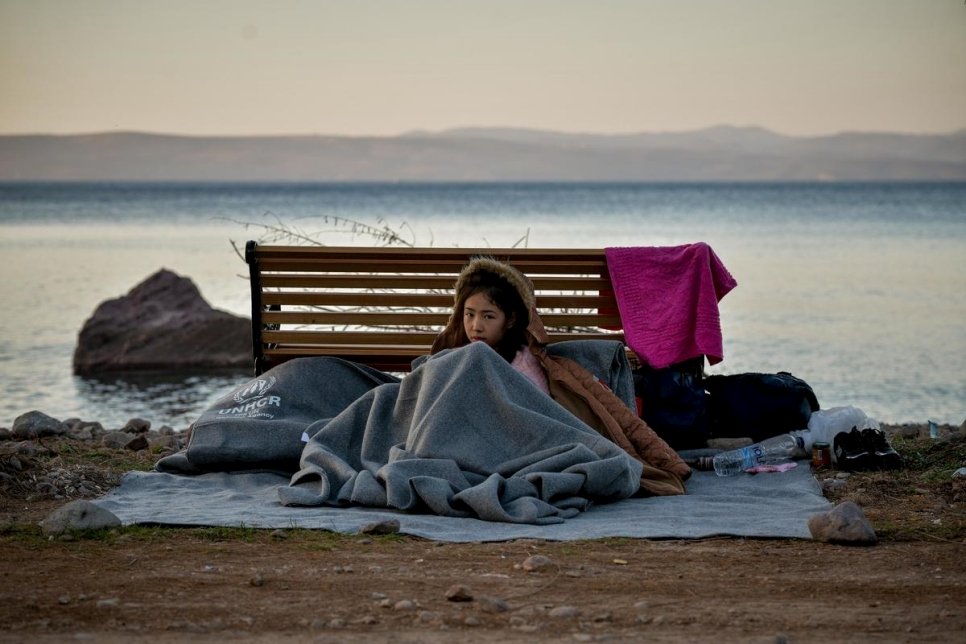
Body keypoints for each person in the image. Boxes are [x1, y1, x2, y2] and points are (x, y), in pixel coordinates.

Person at [430, 256, 691, 496]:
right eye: (469, 315)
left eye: (488, 316)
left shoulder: (523, 363)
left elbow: (536, 419)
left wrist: (668, 462)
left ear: (510, 320)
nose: (476, 326)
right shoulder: (457, 357)